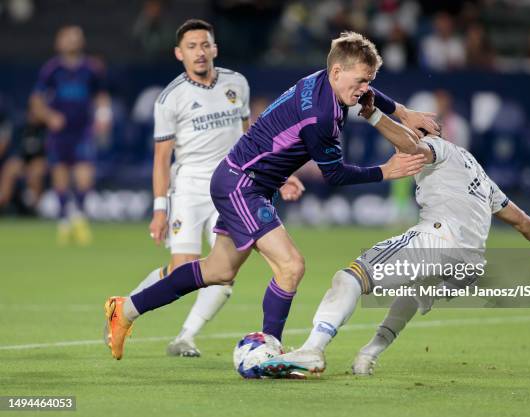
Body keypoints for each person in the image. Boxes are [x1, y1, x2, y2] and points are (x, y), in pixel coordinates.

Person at [104, 31, 439, 361]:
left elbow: (367, 96)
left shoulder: (323, 80)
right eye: (361, 80)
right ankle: (269, 349)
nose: (365, 88)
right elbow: (335, 174)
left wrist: (401, 111)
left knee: (218, 270)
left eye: (370, 80)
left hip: (243, 180)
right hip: (242, 185)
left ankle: (125, 309)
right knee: (291, 266)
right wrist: (386, 171)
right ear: (338, 72)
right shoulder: (321, 117)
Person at [263, 92, 530, 376]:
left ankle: (313, 349)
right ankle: (369, 353)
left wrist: (374, 116)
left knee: (350, 277)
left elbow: (414, 147)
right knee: (411, 293)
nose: (402, 141)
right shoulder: (481, 176)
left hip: (439, 239)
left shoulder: (439, 147)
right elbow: (523, 221)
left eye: (411, 132)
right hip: (470, 263)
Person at [127, 19, 305, 358]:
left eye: (205, 45)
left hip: (232, 187)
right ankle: (124, 309)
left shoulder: (236, 83)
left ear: (215, 49)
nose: (200, 52)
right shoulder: (170, 99)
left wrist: (279, 176)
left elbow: (250, 138)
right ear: (179, 53)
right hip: (191, 188)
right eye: (192, 47)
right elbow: (161, 159)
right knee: (184, 270)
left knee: (223, 272)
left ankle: (185, 337)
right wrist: (159, 209)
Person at [30, 25, 112, 245]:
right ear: (59, 42)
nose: (72, 41)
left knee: (85, 177)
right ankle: (64, 222)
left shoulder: (91, 69)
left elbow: (101, 96)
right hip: (59, 133)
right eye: (67, 38)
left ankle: (80, 218)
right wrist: (49, 117)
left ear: (82, 42)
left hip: (83, 130)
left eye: (76, 38)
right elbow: (36, 101)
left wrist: (103, 116)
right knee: (60, 178)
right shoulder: (51, 70)